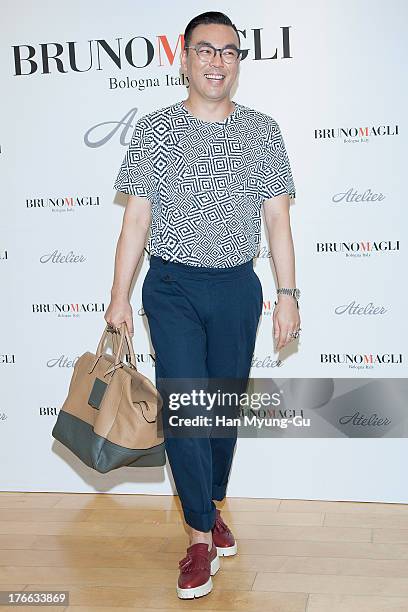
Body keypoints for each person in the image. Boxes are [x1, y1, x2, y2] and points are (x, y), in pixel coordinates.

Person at [107, 10, 301, 600]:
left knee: (219, 412)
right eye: (206, 50)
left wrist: (288, 295)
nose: (218, 61)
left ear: (238, 61)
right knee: (188, 408)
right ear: (183, 58)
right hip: (171, 290)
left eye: (230, 51)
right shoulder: (155, 131)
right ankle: (197, 538)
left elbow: (277, 221)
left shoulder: (264, 131)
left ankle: (210, 504)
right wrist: (118, 299)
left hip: (238, 288)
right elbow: (137, 219)